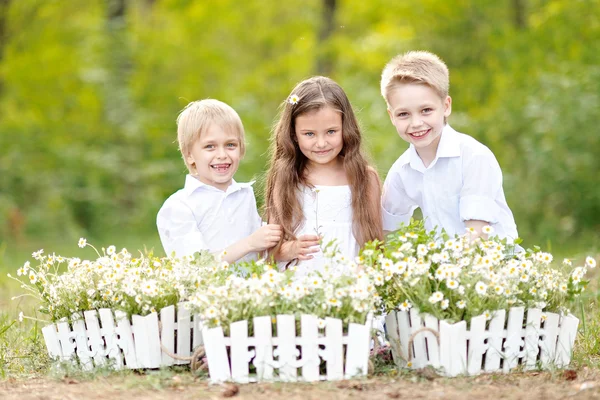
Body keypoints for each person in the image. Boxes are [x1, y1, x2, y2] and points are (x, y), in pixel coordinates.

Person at [380, 51, 518, 241]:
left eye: (426, 110)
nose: (416, 123)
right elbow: (385, 233)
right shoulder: (401, 171)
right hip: (446, 265)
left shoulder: (473, 156)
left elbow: (477, 235)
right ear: (391, 116)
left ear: (446, 106)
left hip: (495, 263)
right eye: (404, 114)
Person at [265, 76, 383, 276]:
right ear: (293, 134)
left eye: (330, 132)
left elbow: (374, 247)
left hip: (350, 289)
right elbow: (270, 250)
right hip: (299, 289)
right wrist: (291, 249)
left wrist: (358, 283)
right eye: (309, 134)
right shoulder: (286, 178)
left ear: (345, 128)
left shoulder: (364, 178)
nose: (321, 143)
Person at [157, 99, 282, 263]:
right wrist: (250, 243)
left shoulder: (245, 195)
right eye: (210, 146)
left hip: (249, 287)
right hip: (207, 289)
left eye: (230, 145)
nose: (222, 154)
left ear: (241, 149)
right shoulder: (180, 207)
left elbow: (259, 255)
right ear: (189, 155)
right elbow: (196, 266)